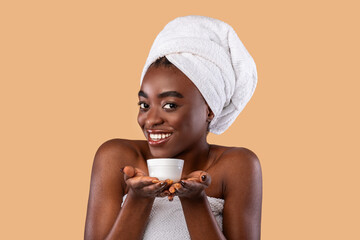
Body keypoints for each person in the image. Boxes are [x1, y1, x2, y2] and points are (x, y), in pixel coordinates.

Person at [84, 15, 262, 240]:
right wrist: (138, 200)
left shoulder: (236, 166)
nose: (150, 120)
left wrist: (195, 201)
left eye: (170, 105)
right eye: (145, 105)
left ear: (209, 110)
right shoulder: (117, 158)